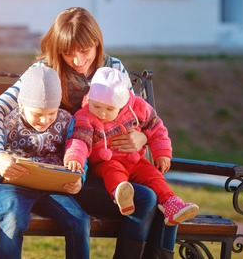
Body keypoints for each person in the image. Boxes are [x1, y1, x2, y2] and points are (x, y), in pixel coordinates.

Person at [0, 7, 179, 258]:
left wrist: (144, 136)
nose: (77, 60)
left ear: (97, 43)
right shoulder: (46, 72)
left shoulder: (114, 68)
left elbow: (135, 113)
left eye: (84, 51)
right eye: (68, 53)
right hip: (71, 172)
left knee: (160, 203)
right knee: (145, 199)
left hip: (114, 165)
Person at [0, 65, 90, 259]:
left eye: (51, 113)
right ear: (21, 105)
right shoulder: (5, 122)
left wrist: (79, 177)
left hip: (50, 187)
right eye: (37, 114)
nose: (45, 120)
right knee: (14, 218)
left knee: (79, 220)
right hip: (7, 188)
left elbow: (78, 154)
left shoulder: (66, 121)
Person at [64, 67, 199, 226]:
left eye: (109, 109)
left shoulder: (139, 108)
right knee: (113, 170)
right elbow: (80, 140)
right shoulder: (85, 116)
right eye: (97, 106)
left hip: (134, 159)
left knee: (152, 175)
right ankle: (121, 195)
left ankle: (171, 204)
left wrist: (162, 153)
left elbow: (156, 128)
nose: (102, 113)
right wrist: (75, 158)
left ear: (121, 105)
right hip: (105, 161)